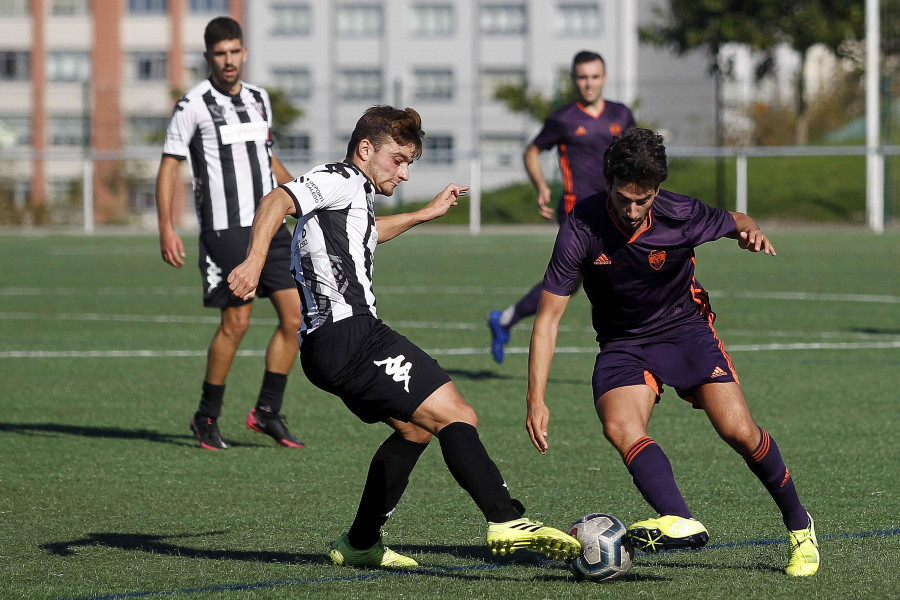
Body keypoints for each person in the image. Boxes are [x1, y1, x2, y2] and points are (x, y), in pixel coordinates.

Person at [227, 105, 581, 568]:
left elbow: (366, 234)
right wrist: (255, 261)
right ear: (366, 149)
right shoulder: (338, 176)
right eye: (398, 159)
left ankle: (359, 543)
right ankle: (504, 518)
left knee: (415, 429)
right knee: (457, 414)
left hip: (330, 344)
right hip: (350, 334)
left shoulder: (353, 194)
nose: (405, 172)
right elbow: (278, 200)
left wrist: (424, 213)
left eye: (410, 162)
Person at [524, 128, 820, 577]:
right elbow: (547, 319)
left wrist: (752, 230)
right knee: (619, 425)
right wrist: (535, 398)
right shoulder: (581, 227)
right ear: (608, 185)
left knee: (740, 432)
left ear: (657, 191)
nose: (632, 210)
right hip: (622, 342)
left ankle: (800, 526)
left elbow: (736, 219)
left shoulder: (680, 213)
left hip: (685, 331)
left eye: (643, 200)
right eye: (624, 198)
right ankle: (679, 517)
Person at [156, 16, 304, 450]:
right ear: (208, 58)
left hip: (269, 222)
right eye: (220, 54)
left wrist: (299, 199)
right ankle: (206, 416)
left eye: (235, 52)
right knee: (236, 323)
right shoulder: (192, 105)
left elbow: (268, 158)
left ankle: (267, 412)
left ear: (244, 52)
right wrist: (166, 225)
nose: (228, 61)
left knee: (295, 319)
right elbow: (169, 165)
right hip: (224, 230)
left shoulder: (259, 99)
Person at [488, 50, 636, 363]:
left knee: (572, 281)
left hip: (614, 209)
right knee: (602, 270)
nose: (589, 83)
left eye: (595, 76)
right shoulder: (563, 118)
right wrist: (541, 186)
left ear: (605, 77)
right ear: (573, 80)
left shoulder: (621, 115)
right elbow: (532, 152)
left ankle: (504, 319)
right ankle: (625, 347)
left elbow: (636, 155)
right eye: (582, 77)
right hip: (577, 211)